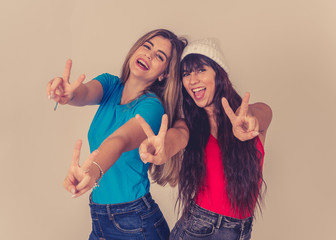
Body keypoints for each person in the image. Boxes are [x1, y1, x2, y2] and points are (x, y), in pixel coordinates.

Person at [46, 29, 187, 240]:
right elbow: (84, 93)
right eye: (147, 46)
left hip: (136, 223)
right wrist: (69, 94)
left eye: (159, 56)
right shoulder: (110, 85)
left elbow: (118, 140)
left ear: (164, 74)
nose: (148, 55)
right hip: (99, 217)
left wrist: (92, 171)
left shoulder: (153, 108)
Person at [136, 38, 272, 240]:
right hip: (198, 230)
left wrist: (250, 117)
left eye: (200, 70)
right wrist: (163, 148)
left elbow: (263, 113)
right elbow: (177, 137)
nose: (192, 80)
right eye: (186, 74)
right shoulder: (189, 125)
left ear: (219, 74)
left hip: (241, 231)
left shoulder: (249, 117)